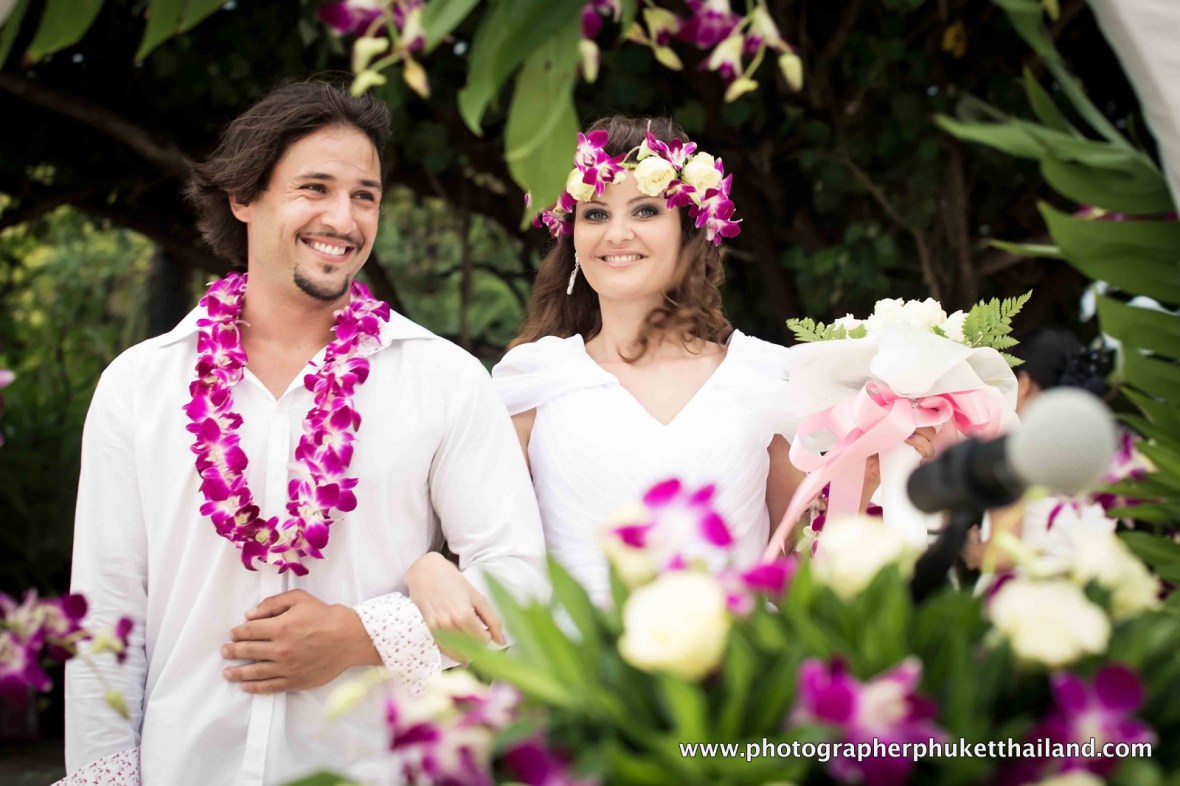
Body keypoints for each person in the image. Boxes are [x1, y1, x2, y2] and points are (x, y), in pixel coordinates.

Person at [63, 80, 547, 785]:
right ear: (244, 196)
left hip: (372, 768)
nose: (343, 219)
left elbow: (522, 582)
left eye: (365, 195)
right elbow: (105, 618)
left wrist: (362, 637)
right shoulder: (141, 385)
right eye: (314, 187)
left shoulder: (444, 379)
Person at [491, 116, 805, 605]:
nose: (616, 234)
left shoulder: (764, 379)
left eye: (644, 211)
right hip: (575, 673)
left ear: (688, 228)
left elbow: (795, 572)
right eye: (595, 214)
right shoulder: (534, 381)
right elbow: (494, 565)